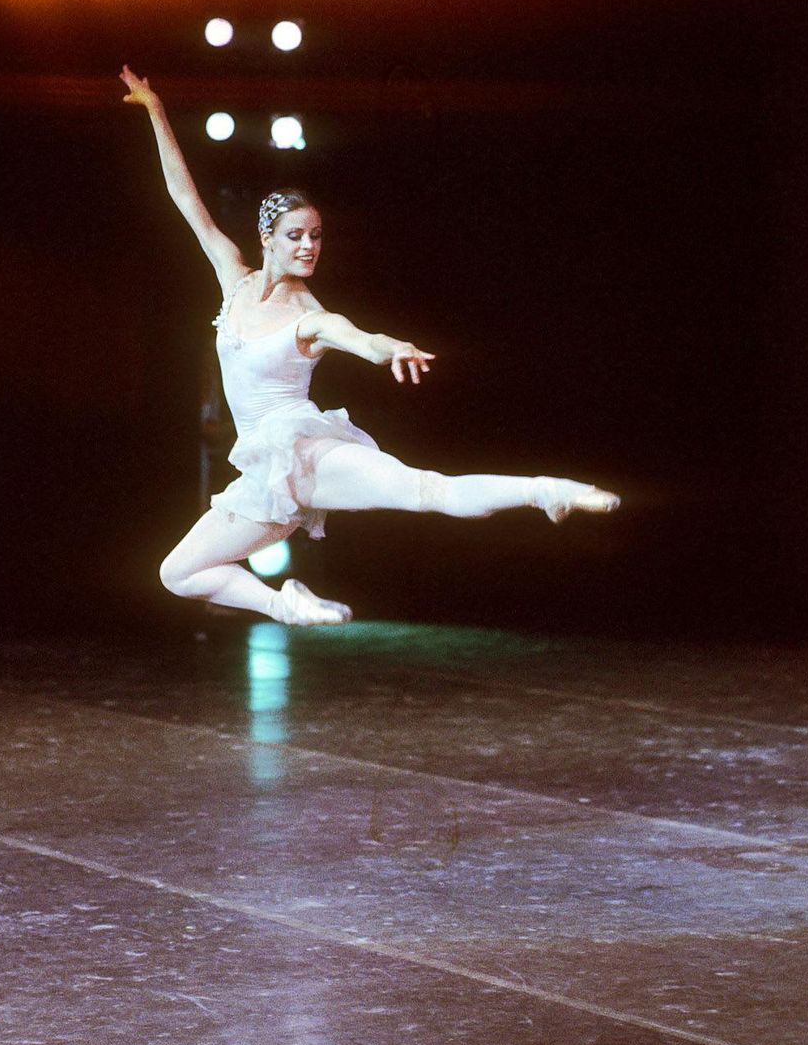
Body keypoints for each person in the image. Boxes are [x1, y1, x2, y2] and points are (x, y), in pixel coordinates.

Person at [120, 66, 620, 626]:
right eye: (296, 236)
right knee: (178, 573)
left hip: (307, 454)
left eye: (316, 236)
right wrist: (155, 109)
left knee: (428, 490)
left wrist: (392, 347)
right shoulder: (233, 280)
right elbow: (183, 196)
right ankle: (286, 604)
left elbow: (359, 339)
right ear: (267, 239)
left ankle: (544, 490)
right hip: (266, 477)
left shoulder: (310, 317)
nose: (309, 246)